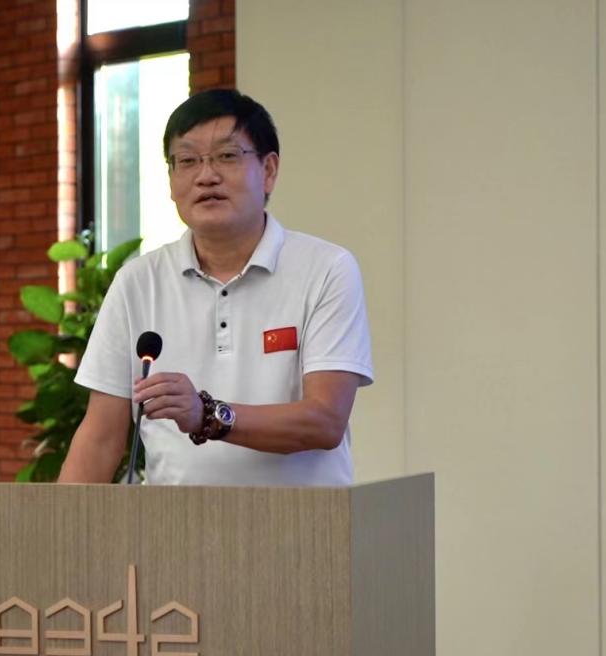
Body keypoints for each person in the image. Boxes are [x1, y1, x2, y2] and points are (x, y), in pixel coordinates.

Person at [58, 89, 373, 486]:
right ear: (171, 180)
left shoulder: (326, 269)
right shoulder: (137, 282)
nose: (206, 175)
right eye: (187, 160)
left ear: (269, 170)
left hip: (304, 520)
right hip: (175, 520)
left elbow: (325, 421)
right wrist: (54, 525)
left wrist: (207, 415)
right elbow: (101, 438)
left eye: (227, 156)